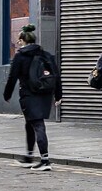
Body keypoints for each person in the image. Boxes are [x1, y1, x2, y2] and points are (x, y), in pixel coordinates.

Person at [4, 25, 61, 171]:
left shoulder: (20, 56)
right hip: (45, 94)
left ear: (22, 40)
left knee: (37, 125)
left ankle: (45, 160)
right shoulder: (46, 54)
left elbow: (12, 77)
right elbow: (56, 75)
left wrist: (7, 94)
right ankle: (29, 157)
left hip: (29, 95)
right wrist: (58, 95)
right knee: (30, 123)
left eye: (19, 40)